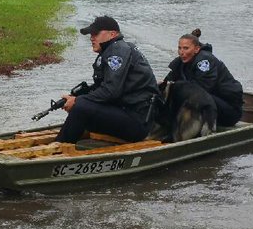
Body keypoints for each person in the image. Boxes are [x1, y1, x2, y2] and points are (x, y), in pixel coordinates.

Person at [56, 15, 159, 144]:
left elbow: (111, 91)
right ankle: (68, 143)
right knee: (82, 106)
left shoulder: (117, 50)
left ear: (112, 34)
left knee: (80, 107)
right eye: (91, 34)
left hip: (137, 121)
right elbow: (103, 87)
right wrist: (77, 96)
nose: (92, 38)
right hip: (126, 113)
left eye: (96, 34)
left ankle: (59, 147)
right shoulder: (113, 49)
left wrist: (77, 101)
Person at [162, 28, 243, 127]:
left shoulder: (205, 61)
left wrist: (177, 86)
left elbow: (201, 90)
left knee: (192, 95)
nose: (181, 52)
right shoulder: (181, 63)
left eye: (186, 48)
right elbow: (167, 82)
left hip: (229, 110)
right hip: (208, 105)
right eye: (180, 48)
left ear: (196, 49)